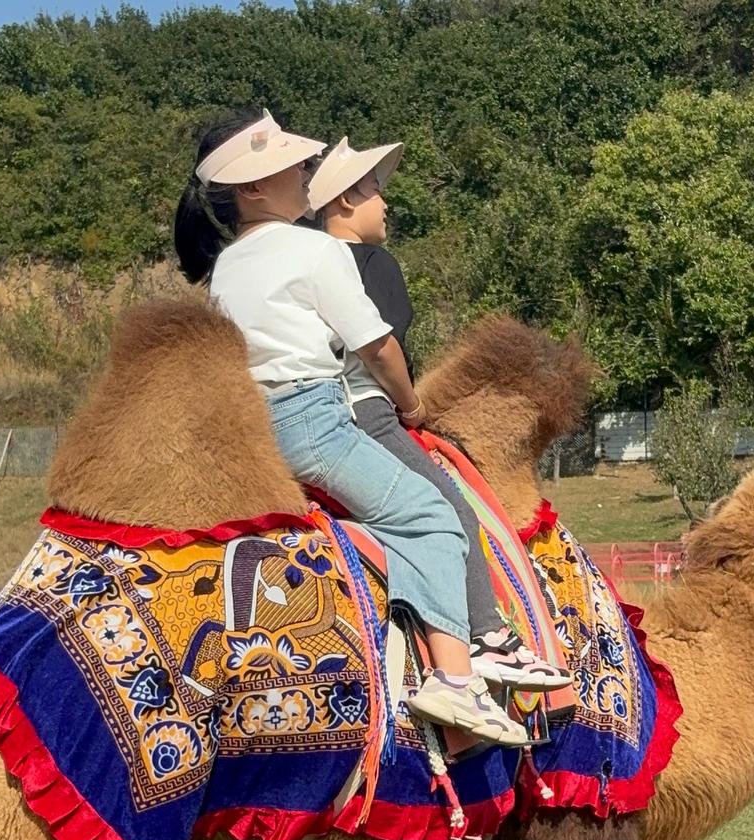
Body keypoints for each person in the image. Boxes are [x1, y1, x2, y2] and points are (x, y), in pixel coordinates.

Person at [174, 109, 569, 745]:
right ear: (253, 188)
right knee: (432, 514)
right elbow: (378, 347)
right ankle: (457, 677)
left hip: (251, 434)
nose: (306, 171)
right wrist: (410, 406)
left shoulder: (226, 267)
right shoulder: (315, 249)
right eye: (292, 165)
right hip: (315, 423)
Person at [307, 137, 568, 683]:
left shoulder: (300, 265)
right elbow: (381, 349)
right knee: (450, 510)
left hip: (302, 415)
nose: (385, 203)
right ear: (345, 201)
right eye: (374, 190)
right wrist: (412, 406)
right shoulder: (373, 263)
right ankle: (485, 635)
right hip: (366, 412)